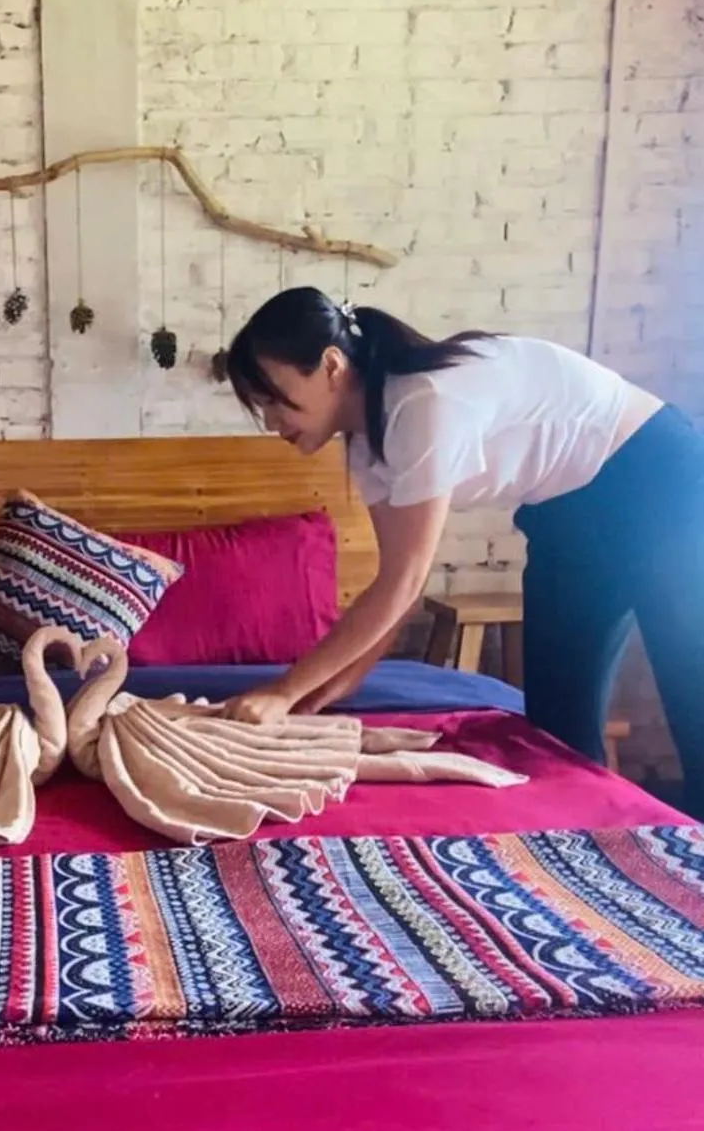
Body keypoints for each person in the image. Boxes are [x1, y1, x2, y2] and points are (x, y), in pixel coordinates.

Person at [221, 285, 704, 817]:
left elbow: (403, 581)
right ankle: (580, 860)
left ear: (331, 366)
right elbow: (400, 586)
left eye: (273, 397)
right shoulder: (366, 442)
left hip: (657, 479)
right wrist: (327, 691)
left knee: (693, 703)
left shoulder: (422, 403)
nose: (271, 421)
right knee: (557, 728)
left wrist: (284, 691)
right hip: (569, 515)